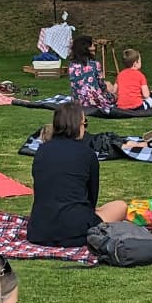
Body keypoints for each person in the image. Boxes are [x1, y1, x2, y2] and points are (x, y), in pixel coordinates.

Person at [28, 101, 129, 246]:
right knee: (119, 206)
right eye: (84, 123)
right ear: (77, 125)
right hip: (75, 231)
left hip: (39, 230)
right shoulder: (87, 153)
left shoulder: (41, 151)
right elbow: (92, 197)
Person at [66, 34, 117, 114]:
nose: (94, 46)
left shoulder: (71, 65)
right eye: (92, 44)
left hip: (77, 101)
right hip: (94, 101)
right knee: (112, 87)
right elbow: (102, 85)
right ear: (86, 47)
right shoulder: (95, 64)